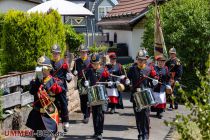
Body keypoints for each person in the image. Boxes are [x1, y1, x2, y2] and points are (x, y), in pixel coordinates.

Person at [26, 56, 65, 140]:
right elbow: (32, 91)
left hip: (49, 118)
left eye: (43, 68)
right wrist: (38, 81)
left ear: (49, 69)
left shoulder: (55, 83)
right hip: (37, 118)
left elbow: (63, 102)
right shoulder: (35, 82)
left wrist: (65, 119)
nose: (42, 71)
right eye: (39, 68)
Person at [127, 49, 157, 140]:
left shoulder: (149, 69)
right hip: (136, 96)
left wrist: (154, 81)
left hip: (145, 96)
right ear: (137, 59)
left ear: (145, 60)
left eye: (142, 59)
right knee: (138, 117)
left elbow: (153, 80)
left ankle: (146, 135)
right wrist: (126, 81)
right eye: (139, 59)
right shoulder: (132, 69)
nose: (140, 61)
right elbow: (127, 79)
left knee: (146, 117)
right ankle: (140, 134)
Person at [84, 53, 111, 140]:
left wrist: (109, 83)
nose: (94, 65)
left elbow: (109, 80)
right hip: (93, 95)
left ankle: (100, 132)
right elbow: (84, 80)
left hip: (102, 95)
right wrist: (85, 83)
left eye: (96, 64)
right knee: (95, 114)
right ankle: (96, 132)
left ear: (99, 63)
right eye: (93, 64)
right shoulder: (89, 71)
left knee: (101, 114)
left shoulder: (104, 71)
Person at [50, 44, 71, 132]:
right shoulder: (49, 63)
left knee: (63, 105)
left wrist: (69, 77)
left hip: (61, 87)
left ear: (59, 54)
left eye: (57, 53)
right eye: (53, 53)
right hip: (51, 88)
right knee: (52, 106)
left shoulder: (63, 63)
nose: (55, 55)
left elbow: (68, 76)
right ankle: (53, 124)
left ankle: (65, 122)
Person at [72, 46, 91, 124]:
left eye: (84, 52)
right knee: (82, 100)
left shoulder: (90, 61)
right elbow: (73, 70)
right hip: (80, 82)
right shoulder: (77, 61)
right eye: (81, 52)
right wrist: (74, 72)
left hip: (88, 82)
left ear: (87, 52)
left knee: (88, 99)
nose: (83, 53)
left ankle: (87, 115)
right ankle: (84, 113)